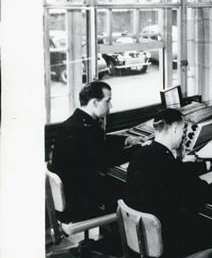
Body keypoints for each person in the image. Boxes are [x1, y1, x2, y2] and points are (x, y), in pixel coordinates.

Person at [124, 108, 212, 258]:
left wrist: (211, 165)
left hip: (140, 241)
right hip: (165, 246)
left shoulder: (142, 154)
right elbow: (204, 194)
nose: (183, 136)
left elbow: (177, 171)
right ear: (174, 129)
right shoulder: (167, 164)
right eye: (182, 131)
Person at [49, 81, 143, 220]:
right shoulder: (81, 130)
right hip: (80, 201)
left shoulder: (78, 122)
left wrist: (126, 140)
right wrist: (140, 149)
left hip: (74, 192)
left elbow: (100, 142)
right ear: (94, 103)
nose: (110, 105)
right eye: (107, 101)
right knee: (135, 189)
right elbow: (105, 159)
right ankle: (125, 239)